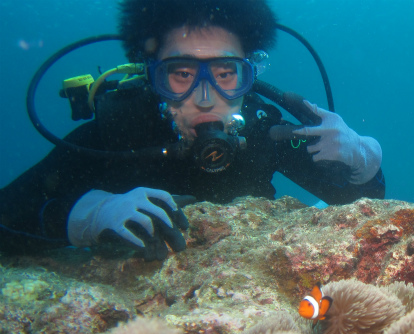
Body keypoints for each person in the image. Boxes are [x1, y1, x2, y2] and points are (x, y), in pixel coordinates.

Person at [0, 0, 384, 261]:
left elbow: (359, 206)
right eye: (182, 74)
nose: (204, 98)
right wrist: (88, 214)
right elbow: (7, 216)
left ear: (248, 76)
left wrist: (363, 161)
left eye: (225, 73)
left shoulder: (263, 131)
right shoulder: (120, 130)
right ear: (153, 76)